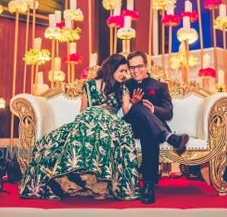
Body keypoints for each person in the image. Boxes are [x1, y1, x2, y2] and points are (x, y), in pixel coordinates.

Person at [19, 54, 141, 200]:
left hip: (110, 123)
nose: (124, 75)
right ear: (111, 69)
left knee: (98, 114)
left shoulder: (122, 88)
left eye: (125, 71)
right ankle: (72, 174)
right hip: (88, 121)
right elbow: (83, 113)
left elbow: (127, 110)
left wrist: (133, 102)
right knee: (50, 140)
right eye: (121, 71)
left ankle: (88, 178)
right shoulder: (89, 86)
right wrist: (96, 110)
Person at [124, 51, 189, 204]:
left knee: (149, 132)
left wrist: (153, 109)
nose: (135, 70)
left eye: (139, 66)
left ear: (146, 66)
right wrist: (134, 103)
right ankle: (170, 137)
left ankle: (148, 185)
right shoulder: (125, 85)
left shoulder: (159, 86)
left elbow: (168, 112)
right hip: (132, 127)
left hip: (150, 130)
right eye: (132, 67)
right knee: (138, 107)